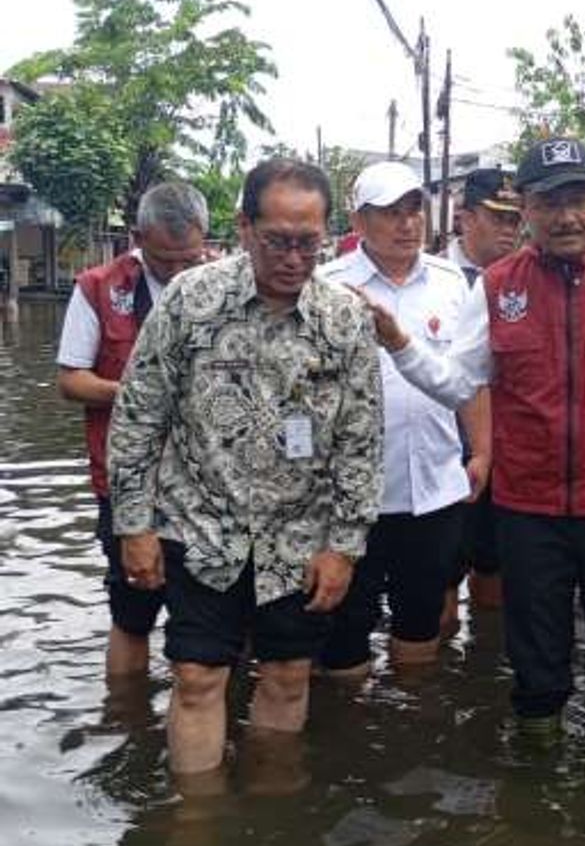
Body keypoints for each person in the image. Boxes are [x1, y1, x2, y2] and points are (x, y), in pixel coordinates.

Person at [365, 137, 585, 736]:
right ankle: (539, 774)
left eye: (578, 197)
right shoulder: (496, 287)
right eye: (548, 201)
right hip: (527, 511)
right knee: (536, 673)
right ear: (526, 209)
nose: (566, 215)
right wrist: (401, 344)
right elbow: (459, 381)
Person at [107, 158, 384, 775]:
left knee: (287, 677)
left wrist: (344, 547)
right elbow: (138, 415)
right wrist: (134, 527)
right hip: (201, 527)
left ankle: (269, 810)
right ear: (243, 227)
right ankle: (197, 829)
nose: (293, 257)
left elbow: (362, 441)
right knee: (197, 678)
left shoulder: (344, 318)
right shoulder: (190, 300)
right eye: (277, 240)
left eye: (308, 242)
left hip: (300, 538)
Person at [316, 161, 489, 675]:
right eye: (390, 212)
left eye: (414, 209)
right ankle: (353, 739)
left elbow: (471, 377)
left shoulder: (450, 281)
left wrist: (482, 450)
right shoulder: (326, 285)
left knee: (422, 628)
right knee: (344, 636)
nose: (406, 223)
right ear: (359, 220)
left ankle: (412, 735)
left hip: (434, 486)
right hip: (350, 498)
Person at [56, 181, 208, 678]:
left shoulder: (229, 286)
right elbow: (71, 380)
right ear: (140, 238)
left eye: (191, 257)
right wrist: (137, 395)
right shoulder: (98, 287)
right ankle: (128, 727)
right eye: (168, 261)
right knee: (132, 613)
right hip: (128, 483)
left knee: (220, 616)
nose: (183, 271)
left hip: (211, 485)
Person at [445, 168, 523, 614]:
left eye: (516, 219)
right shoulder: (435, 280)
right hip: (447, 452)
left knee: (497, 574)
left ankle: (484, 668)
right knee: (441, 577)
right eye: (499, 218)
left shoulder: (526, 277)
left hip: (512, 453)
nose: (510, 230)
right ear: (465, 217)